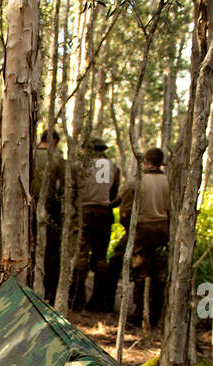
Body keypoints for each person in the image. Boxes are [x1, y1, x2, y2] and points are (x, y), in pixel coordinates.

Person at [107, 147, 170, 327]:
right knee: (158, 273)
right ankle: (155, 314)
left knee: (140, 272)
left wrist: (130, 230)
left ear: (144, 162)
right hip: (163, 231)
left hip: (142, 230)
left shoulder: (136, 182)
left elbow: (124, 209)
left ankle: (140, 314)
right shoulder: (169, 181)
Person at [69, 137, 119, 312]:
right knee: (100, 258)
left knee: (80, 256)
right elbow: (114, 193)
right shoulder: (112, 166)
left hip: (84, 212)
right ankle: (98, 302)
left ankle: (77, 300)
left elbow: (73, 190)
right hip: (103, 213)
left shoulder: (80, 165)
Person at [32, 129, 65, 304]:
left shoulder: (29, 154)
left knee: (30, 246)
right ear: (55, 142)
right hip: (50, 207)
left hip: (28, 207)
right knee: (51, 251)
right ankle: (49, 292)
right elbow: (65, 186)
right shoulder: (57, 158)